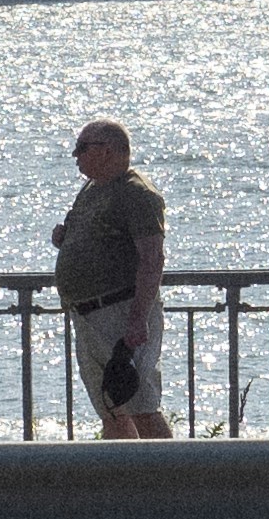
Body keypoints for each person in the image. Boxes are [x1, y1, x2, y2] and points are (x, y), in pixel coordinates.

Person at [50, 117, 171, 438]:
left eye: (82, 148)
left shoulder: (138, 194)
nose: (75, 155)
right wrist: (66, 237)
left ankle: (172, 481)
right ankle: (125, 483)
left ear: (105, 151)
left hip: (121, 312)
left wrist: (138, 319)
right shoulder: (92, 189)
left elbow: (152, 259)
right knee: (111, 408)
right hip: (89, 314)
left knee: (140, 405)